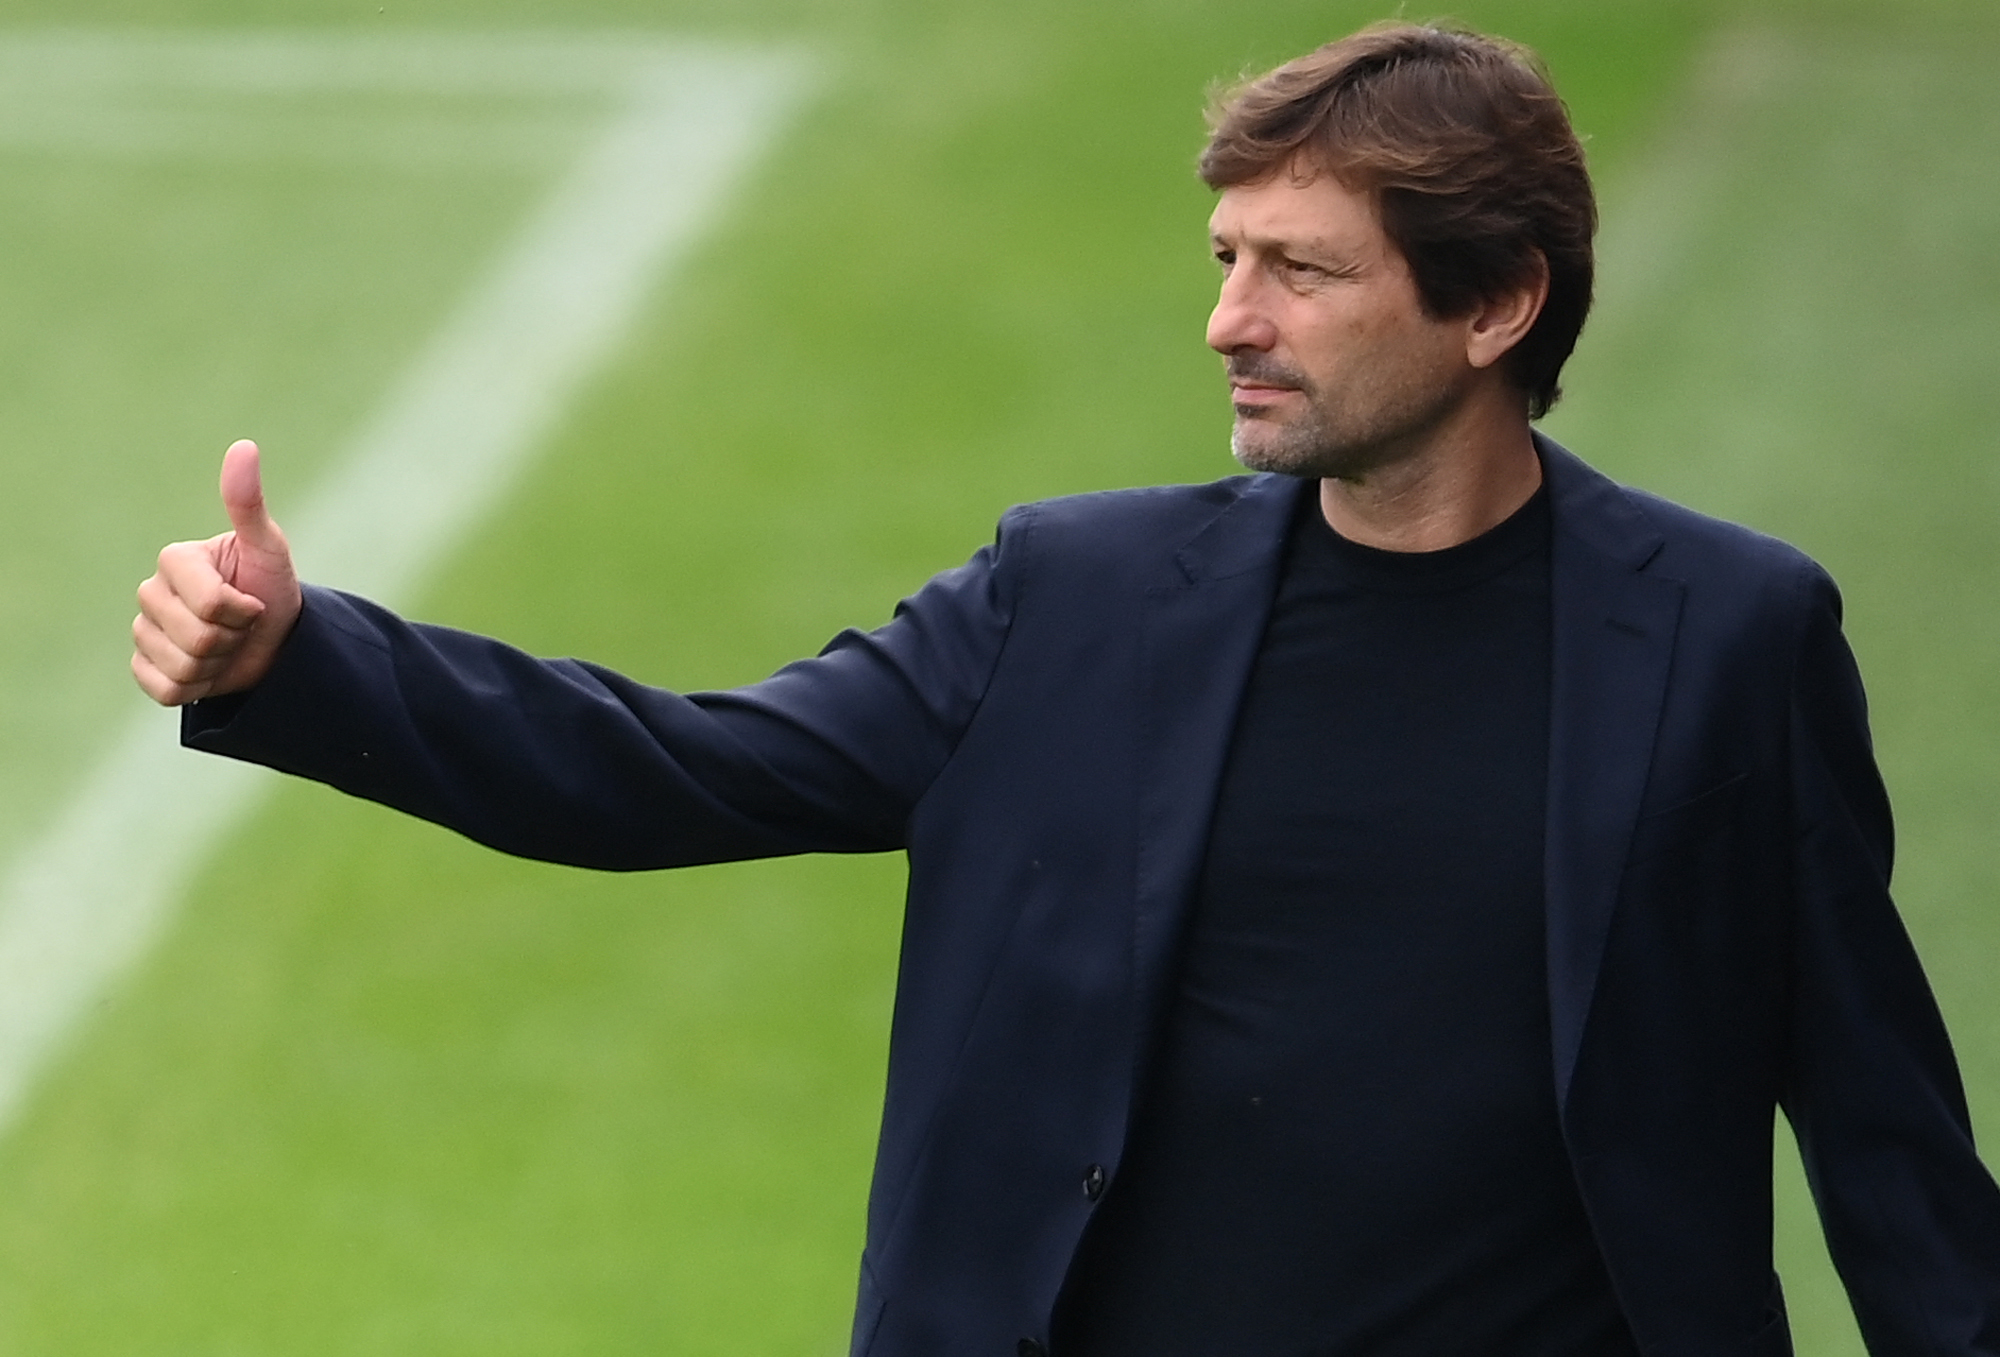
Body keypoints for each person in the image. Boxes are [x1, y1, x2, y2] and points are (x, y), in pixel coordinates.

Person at [132, 20, 2000, 1357]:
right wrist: (304, 657)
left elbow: (1876, 1113)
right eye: (1224, 259)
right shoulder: (1074, 597)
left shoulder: (1729, 633)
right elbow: (675, 774)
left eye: (1300, 271)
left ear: (1497, 301)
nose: (1229, 321)